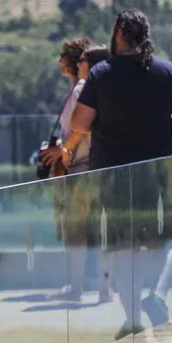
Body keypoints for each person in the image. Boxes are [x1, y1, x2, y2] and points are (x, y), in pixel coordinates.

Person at [60, 10, 172, 338]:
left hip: (112, 172)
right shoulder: (167, 71)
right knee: (170, 238)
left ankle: (133, 318)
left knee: (123, 245)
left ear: (119, 33)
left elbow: (79, 124)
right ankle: (157, 296)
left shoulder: (101, 74)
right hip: (160, 170)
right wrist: (163, 125)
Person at [40, 40, 110, 301]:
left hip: (81, 167)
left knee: (76, 231)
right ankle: (105, 290)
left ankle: (76, 288)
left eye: (81, 60)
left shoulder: (83, 87)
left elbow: (81, 127)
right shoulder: (107, 89)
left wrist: (64, 149)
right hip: (102, 166)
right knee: (100, 231)